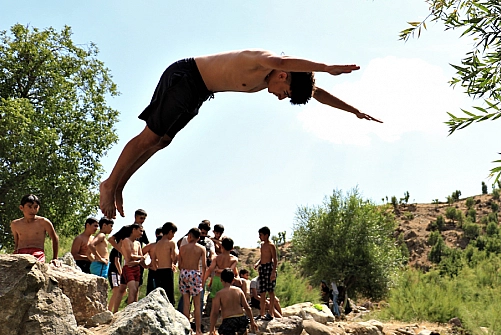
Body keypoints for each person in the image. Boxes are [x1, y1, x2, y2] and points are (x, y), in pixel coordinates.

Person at [99, 50, 383, 219]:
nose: (280, 98)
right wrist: (327, 67)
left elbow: (318, 94)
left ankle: (119, 184)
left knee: (161, 141)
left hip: (199, 91)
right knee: (150, 136)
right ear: (282, 75)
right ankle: (109, 184)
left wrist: (354, 110)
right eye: (284, 94)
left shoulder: (281, 76)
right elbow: (284, 61)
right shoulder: (262, 61)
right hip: (186, 78)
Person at [209, 268, 258, 335]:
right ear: (233, 280)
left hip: (228, 321)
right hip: (240, 318)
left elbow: (214, 313)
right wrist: (252, 321)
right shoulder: (238, 290)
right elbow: (247, 308)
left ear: (221, 280)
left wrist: (211, 329)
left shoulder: (219, 294)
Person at [11, 194, 59, 263]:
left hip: (37, 253)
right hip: (20, 253)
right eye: (29, 207)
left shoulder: (43, 222)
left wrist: (55, 258)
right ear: (21, 208)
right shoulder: (15, 224)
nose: (33, 210)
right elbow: (17, 242)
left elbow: (55, 238)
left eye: (35, 207)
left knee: (34, 267)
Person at [179, 227, 207, 335]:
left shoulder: (183, 248)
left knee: (186, 303)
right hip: (195, 274)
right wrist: (203, 279)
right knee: (197, 304)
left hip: (184, 273)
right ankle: (198, 330)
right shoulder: (201, 248)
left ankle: (187, 329)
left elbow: (180, 264)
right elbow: (204, 265)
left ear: (189, 236)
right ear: (199, 237)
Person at [149, 222, 179, 304]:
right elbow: (173, 257)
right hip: (167, 270)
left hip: (159, 271)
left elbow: (154, 259)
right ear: (170, 232)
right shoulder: (171, 243)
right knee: (169, 295)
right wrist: (175, 262)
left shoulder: (158, 243)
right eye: (173, 233)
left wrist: (155, 268)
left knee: (160, 293)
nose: (173, 236)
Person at [120, 224, 146, 305]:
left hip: (137, 268)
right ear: (134, 230)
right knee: (132, 290)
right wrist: (140, 258)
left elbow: (141, 258)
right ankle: (128, 311)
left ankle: (133, 311)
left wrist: (149, 265)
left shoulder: (138, 243)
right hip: (128, 267)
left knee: (136, 291)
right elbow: (129, 256)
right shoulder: (126, 240)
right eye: (140, 231)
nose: (142, 233)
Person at [257, 226, 278, 321]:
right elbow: (262, 257)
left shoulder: (271, 245)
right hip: (263, 268)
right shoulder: (262, 245)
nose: (259, 237)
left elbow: (275, 259)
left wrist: (273, 272)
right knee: (262, 291)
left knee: (270, 291)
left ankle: (271, 313)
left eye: (261, 235)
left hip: (269, 268)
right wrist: (258, 263)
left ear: (266, 235)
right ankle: (261, 313)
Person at [143, 227, 163, 295]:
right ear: (157, 235)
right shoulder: (151, 246)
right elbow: (140, 254)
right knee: (151, 291)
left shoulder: (168, 245)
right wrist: (144, 264)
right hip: (153, 270)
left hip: (163, 270)